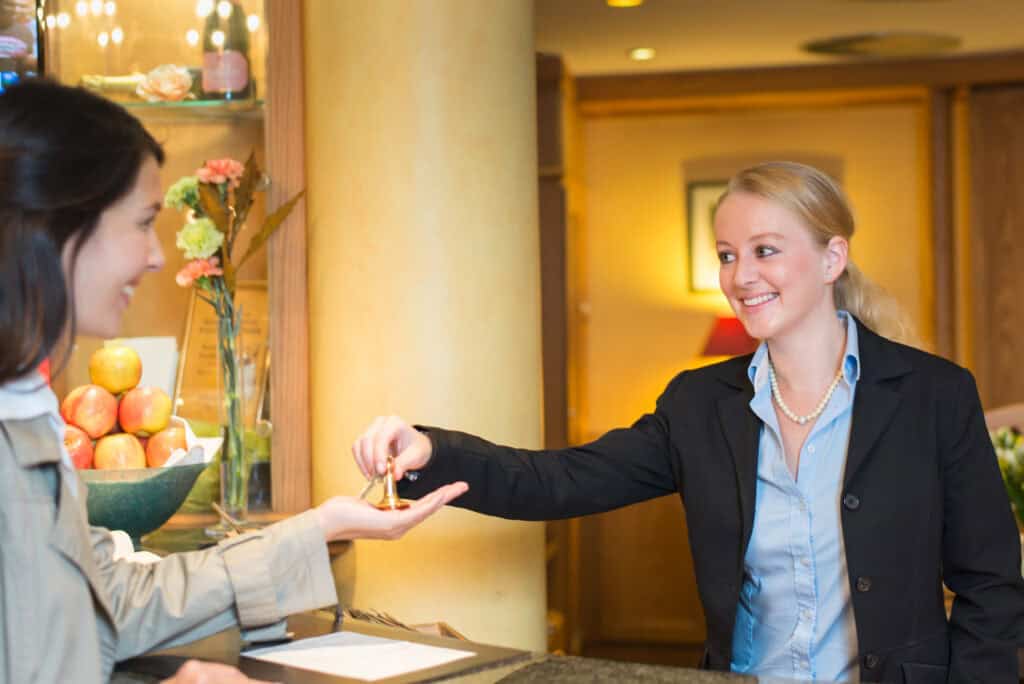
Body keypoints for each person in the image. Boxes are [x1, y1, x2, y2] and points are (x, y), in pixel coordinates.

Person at [354, 161, 1024, 682]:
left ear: (831, 258)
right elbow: (558, 480)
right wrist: (431, 450)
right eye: (728, 254)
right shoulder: (699, 405)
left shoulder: (933, 396)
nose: (740, 276)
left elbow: (990, 583)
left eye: (765, 250)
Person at [0, 79, 468, 684]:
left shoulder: (25, 408)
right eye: (143, 224)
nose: (156, 257)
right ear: (59, 222)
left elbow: (106, 601)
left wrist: (322, 527)